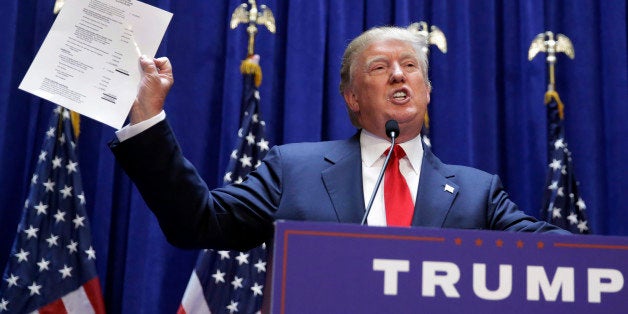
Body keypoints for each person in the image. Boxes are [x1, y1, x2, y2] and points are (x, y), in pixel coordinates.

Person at [109, 25, 569, 252]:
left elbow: (556, 256)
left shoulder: (477, 192)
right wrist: (149, 118)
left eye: (410, 66)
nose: (397, 74)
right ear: (351, 97)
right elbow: (198, 223)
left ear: (427, 92)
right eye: (378, 68)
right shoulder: (294, 170)